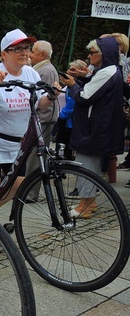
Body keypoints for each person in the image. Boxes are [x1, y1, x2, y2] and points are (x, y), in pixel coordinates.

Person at [0, 28, 56, 246]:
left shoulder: (31, 74)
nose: (24, 52)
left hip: (17, 143)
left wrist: (51, 95)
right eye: (17, 48)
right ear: (4, 54)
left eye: (26, 48)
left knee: (17, 184)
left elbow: (39, 104)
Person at [59, 36, 124, 217]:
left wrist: (72, 85)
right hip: (98, 127)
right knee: (91, 166)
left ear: (103, 54)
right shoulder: (110, 71)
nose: (89, 56)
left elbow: (85, 96)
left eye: (92, 52)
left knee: (85, 166)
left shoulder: (106, 72)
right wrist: (83, 77)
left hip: (93, 128)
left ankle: (84, 207)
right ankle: (90, 202)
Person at [25, 40, 60, 201]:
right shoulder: (44, 68)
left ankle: (31, 193)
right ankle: (29, 190)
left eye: (32, 51)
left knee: (35, 158)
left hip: (42, 119)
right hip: (43, 118)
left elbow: (40, 98)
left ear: (41, 55)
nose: (30, 54)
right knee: (34, 156)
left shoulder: (44, 70)